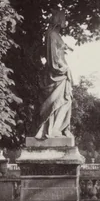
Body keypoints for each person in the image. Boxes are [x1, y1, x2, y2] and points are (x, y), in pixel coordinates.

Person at [35, 9, 74, 139]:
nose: (65, 21)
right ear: (59, 20)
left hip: (60, 73)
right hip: (57, 74)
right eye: (63, 18)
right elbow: (52, 58)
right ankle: (53, 129)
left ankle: (58, 128)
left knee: (64, 101)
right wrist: (63, 68)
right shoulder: (51, 35)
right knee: (62, 100)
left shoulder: (55, 34)